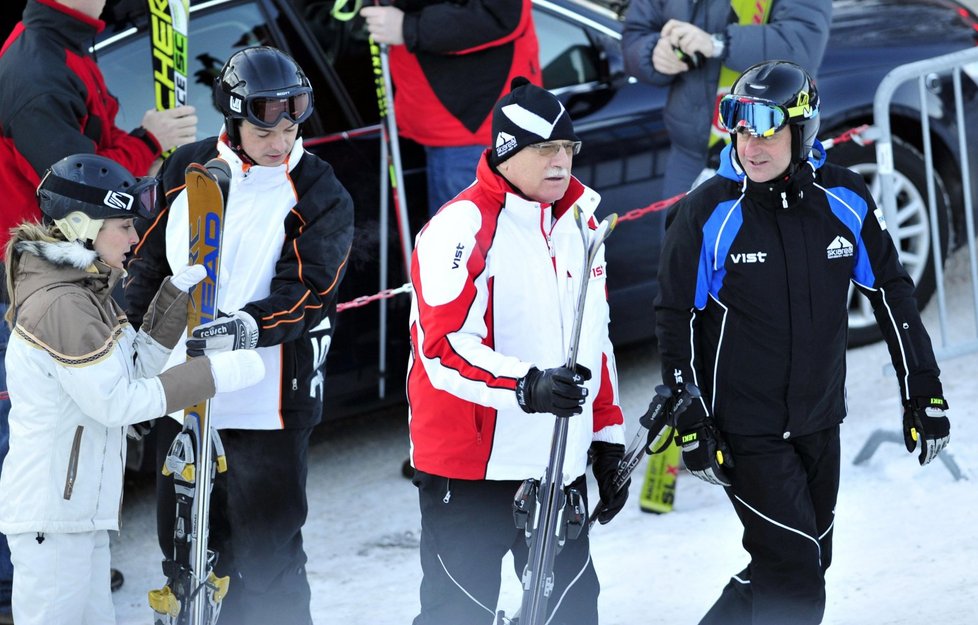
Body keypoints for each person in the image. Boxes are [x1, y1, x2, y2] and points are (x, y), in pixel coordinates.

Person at [654, 60, 950, 625]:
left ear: (803, 129)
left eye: (766, 130)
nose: (751, 145)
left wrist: (924, 392)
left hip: (819, 417)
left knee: (798, 562)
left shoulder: (843, 198)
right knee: (795, 575)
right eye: (741, 131)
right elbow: (674, 317)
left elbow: (892, 294)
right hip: (745, 429)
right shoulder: (710, 212)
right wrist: (689, 412)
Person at [125, 46, 355, 625]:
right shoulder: (187, 169)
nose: (280, 138)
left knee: (265, 559)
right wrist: (128, 346)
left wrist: (249, 324)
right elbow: (149, 265)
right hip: (186, 398)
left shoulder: (319, 191)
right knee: (188, 553)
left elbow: (310, 289)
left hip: (267, 407)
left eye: (293, 119)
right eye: (264, 123)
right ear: (234, 116)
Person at [0, 153, 264, 625]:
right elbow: (116, 403)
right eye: (122, 225)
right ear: (82, 226)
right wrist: (217, 376)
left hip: (80, 514)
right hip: (53, 520)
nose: (135, 237)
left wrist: (170, 301)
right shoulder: (63, 304)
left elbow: (133, 371)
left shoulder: (86, 292)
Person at [407, 76, 628, 625]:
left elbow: (592, 337)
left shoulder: (582, 222)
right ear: (507, 153)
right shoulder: (461, 227)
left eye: (568, 149)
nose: (561, 163)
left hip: (557, 462)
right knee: (458, 616)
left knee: (573, 613)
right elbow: (443, 349)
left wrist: (605, 435)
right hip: (473, 467)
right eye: (545, 150)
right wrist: (526, 385)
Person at [0, 0, 198, 606]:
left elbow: (91, 150)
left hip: (66, 266)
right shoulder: (39, 65)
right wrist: (145, 144)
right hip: (34, 275)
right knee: (32, 423)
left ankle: (61, 551)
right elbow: (76, 183)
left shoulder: (71, 40)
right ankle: (17, 574)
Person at [622, 0, 831, 200]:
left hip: (766, 153)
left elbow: (803, 44)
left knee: (762, 235)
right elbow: (634, 35)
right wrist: (652, 53)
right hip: (689, 153)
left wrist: (717, 44)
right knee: (679, 234)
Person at [360, 0, 541, 216]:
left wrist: (408, 27)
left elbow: (502, 15)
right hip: (437, 122)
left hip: (472, 129)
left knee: (470, 242)